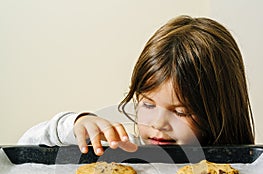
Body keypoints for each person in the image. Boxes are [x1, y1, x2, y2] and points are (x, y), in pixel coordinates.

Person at [18, 15, 255, 155]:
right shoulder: (121, 150)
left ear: (221, 110)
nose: (159, 124)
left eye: (181, 112)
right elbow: (23, 148)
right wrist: (74, 124)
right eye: (148, 105)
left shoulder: (246, 172)